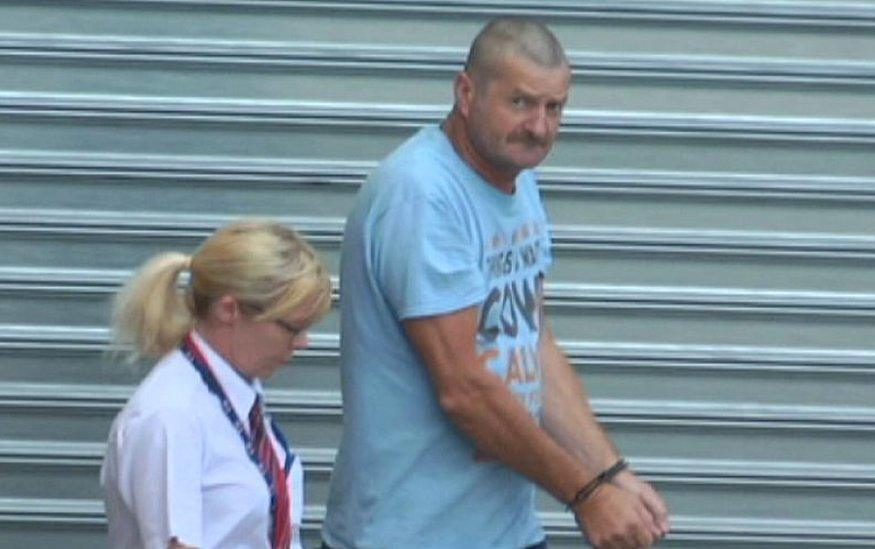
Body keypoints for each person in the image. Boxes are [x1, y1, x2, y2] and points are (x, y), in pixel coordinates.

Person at [322, 17, 670, 549]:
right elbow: (465, 388)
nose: (539, 126)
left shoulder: (517, 179)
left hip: (505, 531)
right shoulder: (422, 195)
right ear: (466, 92)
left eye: (554, 107)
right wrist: (587, 495)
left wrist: (608, 472)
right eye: (521, 103)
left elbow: (529, 340)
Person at [100, 219, 332, 549]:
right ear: (229, 310)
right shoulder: (172, 416)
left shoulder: (238, 395)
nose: (303, 342)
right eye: (292, 328)